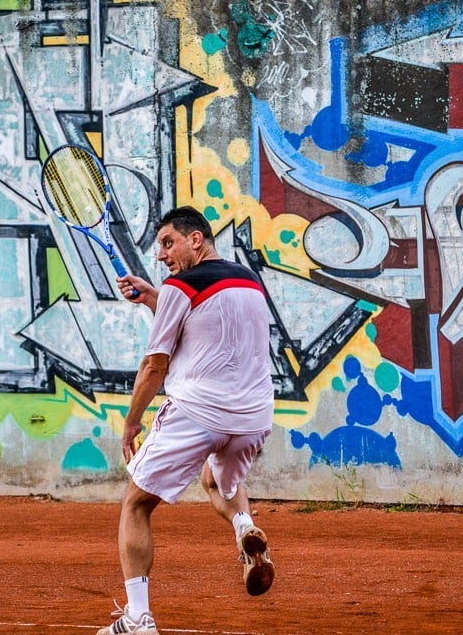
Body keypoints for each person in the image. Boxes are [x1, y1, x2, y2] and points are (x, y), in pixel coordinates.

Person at [98, 206, 275, 635]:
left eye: (167, 242)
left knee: (136, 505)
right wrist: (152, 296)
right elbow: (205, 320)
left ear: (196, 240)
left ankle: (139, 618)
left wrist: (131, 421)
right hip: (253, 418)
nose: (161, 255)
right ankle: (245, 528)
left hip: (198, 412)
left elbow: (155, 364)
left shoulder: (180, 286)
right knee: (217, 482)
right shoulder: (249, 281)